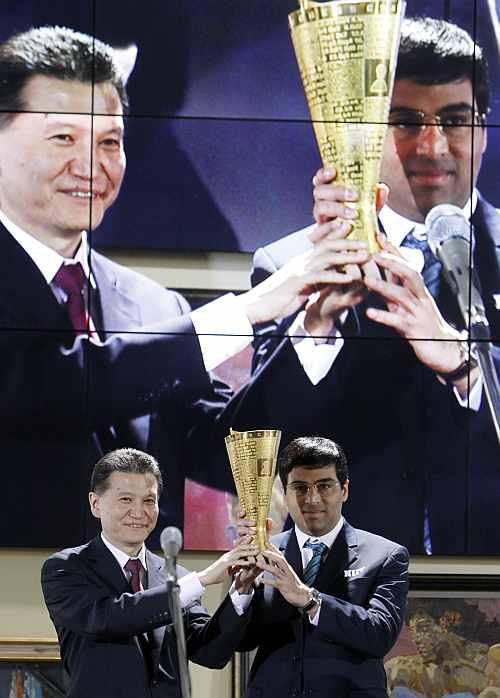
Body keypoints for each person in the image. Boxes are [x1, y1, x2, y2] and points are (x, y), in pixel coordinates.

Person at [0, 25, 354, 547]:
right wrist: (249, 308)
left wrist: (311, 324)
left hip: (148, 618)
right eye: (63, 137)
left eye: (109, 142)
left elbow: (227, 454)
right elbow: (50, 383)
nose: (91, 165)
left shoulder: (149, 304)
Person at [248, 17, 500, 555]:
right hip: (342, 595)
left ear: (484, 127)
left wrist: (465, 365)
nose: (433, 146)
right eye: (406, 121)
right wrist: (318, 324)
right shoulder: (289, 267)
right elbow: (269, 448)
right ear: (364, 133)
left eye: (455, 120)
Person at [41, 447, 258, 698]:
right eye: (126, 499)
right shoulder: (65, 568)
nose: (138, 512)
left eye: (149, 500)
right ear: (95, 503)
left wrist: (241, 588)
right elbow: (107, 618)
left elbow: (210, 653)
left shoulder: (175, 574)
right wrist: (202, 579)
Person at [233, 436, 409, 697]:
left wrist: (309, 599)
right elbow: (241, 642)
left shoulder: (386, 555)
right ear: (285, 491)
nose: (312, 499)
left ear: (345, 489)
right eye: (300, 488)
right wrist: (241, 590)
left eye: (324, 486)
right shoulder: (262, 553)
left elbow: (379, 635)